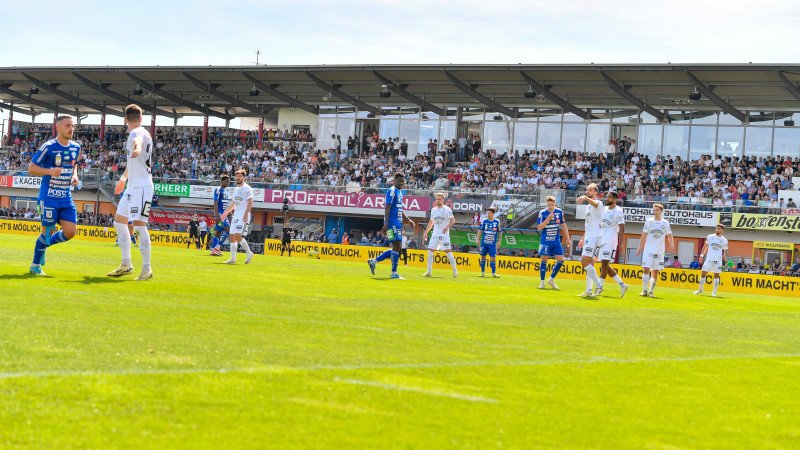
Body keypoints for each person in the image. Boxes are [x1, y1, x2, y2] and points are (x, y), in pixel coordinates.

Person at [28, 115, 81, 276]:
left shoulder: (76, 147)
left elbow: (74, 165)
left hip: (65, 197)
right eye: (67, 126)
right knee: (48, 231)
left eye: (72, 126)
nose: (71, 129)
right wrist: (50, 171)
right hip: (48, 196)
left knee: (71, 232)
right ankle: (35, 265)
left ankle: (44, 246)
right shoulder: (48, 147)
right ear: (58, 128)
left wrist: (75, 176)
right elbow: (31, 168)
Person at [107, 104, 154, 281]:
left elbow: (138, 142)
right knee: (119, 222)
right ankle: (126, 264)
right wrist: (123, 179)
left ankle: (146, 269)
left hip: (142, 187)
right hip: (132, 187)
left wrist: (136, 148)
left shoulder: (137, 133)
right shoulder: (140, 131)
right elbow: (133, 162)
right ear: (141, 118)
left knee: (139, 226)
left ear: (125, 119)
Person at [367, 172, 416, 279]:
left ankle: (374, 261)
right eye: (399, 181)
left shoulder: (399, 192)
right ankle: (393, 273)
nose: (401, 183)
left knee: (396, 247)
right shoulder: (392, 191)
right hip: (392, 223)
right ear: (395, 180)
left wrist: (408, 220)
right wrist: (386, 224)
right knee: (397, 246)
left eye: (403, 181)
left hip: (397, 222)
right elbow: (387, 207)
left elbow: (399, 209)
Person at [636, 203, 674, 297]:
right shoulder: (649, 221)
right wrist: (639, 248)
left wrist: (671, 245)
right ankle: (644, 290)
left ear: (661, 211)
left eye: (657, 210)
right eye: (654, 210)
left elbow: (669, 235)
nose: (655, 212)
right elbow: (644, 235)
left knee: (655, 271)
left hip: (659, 251)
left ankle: (651, 291)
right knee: (646, 269)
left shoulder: (665, 223)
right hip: (648, 250)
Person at [596, 191, 629, 297]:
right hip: (602, 240)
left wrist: (621, 244)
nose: (607, 199)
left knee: (604, 264)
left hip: (611, 241)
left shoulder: (618, 211)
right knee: (604, 265)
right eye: (607, 197)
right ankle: (622, 285)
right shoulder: (604, 210)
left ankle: (599, 287)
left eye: (610, 197)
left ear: (615, 199)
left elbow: (622, 228)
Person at [220, 169, 255, 264]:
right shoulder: (235, 189)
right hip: (236, 215)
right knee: (232, 237)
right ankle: (233, 259)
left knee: (238, 236)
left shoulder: (247, 188)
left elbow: (250, 201)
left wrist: (246, 214)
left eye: (240, 176)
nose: (238, 178)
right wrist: (225, 213)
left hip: (243, 215)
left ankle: (249, 252)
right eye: (237, 176)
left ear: (244, 178)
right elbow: (234, 204)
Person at [576, 183, 604, 298]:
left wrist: (585, 198)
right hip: (589, 237)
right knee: (588, 263)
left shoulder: (599, 203)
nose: (588, 191)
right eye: (587, 190)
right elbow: (588, 224)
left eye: (590, 190)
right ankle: (588, 290)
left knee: (584, 261)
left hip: (595, 237)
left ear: (595, 192)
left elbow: (595, 204)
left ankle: (599, 285)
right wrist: (583, 238)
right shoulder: (588, 206)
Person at [536, 195, 570, 290]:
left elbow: (563, 225)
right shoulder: (542, 212)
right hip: (545, 241)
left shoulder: (559, 212)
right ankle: (542, 282)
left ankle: (551, 279)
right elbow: (539, 227)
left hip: (556, 241)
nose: (550, 206)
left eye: (552, 204)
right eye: (549, 204)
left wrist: (567, 238)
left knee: (561, 260)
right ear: (547, 204)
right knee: (544, 260)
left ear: (555, 203)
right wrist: (547, 219)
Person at [423, 193, 458, 278]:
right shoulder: (434, 210)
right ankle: (429, 271)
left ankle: (455, 271)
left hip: (444, 234)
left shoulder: (447, 209)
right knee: (430, 251)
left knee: (448, 252)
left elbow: (453, 221)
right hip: (435, 233)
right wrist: (426, 231)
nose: (438, 200)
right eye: (437, 199)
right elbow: (431, 222)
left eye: (439, 199)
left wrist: (446, 227)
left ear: (443, 200)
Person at [694, 224, 729, 297]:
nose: (717, 230)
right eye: (716, 228)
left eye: (719, 229)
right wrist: (701, 255)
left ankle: (714, 292)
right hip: (709, 259)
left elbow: (725, 250)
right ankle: (700, 289)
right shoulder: (710, 236)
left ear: (722, 230)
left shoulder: (724, 240)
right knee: (703, 274)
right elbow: (705, 246)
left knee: (716, 275)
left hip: (718, 261)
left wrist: (725, 256)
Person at [477, 207, 502, 277]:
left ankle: (493, 274)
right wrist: (477, 239)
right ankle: (482, 273)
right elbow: (480, 231)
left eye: (490, 213)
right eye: (488, 213)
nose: (488, 214)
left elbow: (500, 232)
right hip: (484, 243)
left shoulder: (497, 222)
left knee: (493, 258)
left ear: (493, 214)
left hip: (492, 244)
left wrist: (499, 241)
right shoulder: (484, 221)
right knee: (483, 257)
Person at [210, 175, 230, 256]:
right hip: (220, 214)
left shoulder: (225, 191)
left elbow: (225, 203)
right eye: (226, 181)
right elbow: (215, 203)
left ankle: (213, 249)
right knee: (228, 230)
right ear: (222, 181)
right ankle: (217, 248)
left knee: (218, 232)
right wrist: (217, 215)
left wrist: (229, 212)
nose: (228, 183)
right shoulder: (218, 190)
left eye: (228, 182)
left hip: (224, 214)